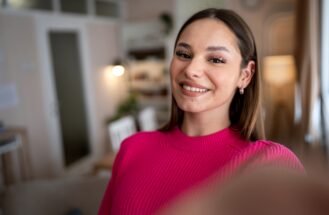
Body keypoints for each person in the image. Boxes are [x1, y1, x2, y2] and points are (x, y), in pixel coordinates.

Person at [98, 8, 304, 215]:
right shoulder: (132, 148)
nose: (191, 69)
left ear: (245, 75)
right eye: (183, 54)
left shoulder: (270, 164)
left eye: (215, 59)